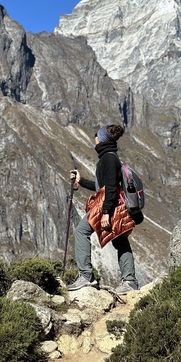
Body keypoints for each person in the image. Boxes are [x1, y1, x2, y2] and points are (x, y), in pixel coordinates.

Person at [67, 124, 140, 295]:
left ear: (101, 140)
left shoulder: (108, 158)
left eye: (97, 137)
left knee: (81, 231)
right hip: (112, 202)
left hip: (107, 204)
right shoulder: (110, 157)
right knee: (120, 239)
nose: (95, 140)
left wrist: (106, 212)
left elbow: (111, 188)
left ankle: (86, 276)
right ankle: (130, 281)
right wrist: (81, 181)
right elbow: (102, 186)